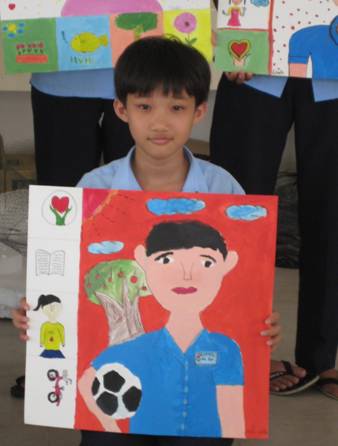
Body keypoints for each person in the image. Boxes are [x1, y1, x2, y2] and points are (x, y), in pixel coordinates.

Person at [13, 37, 281, 445]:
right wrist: (39, 313)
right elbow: (66, 287)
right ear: (121, 110)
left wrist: (260, 324)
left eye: (176, 108)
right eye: (144, 107)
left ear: (199, 112)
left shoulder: (223, 190)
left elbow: (244, 286)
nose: (160, 122)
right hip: (122, 382)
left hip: (197, 393)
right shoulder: (92, 191)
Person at [210, 1, 338, 399]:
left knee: (332, 215)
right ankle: (238, 350)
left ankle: (322, 357)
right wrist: (234, 36)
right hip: (253, 62)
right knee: (238, 214)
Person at [79, 221, 245, 438]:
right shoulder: (138, 348)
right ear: (143, 261)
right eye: (166, 260)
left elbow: (232, 418)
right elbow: (86, 381)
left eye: (206, 263)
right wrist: (111, 427)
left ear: (227, 264)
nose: (187, 275)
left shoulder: (225, 349)